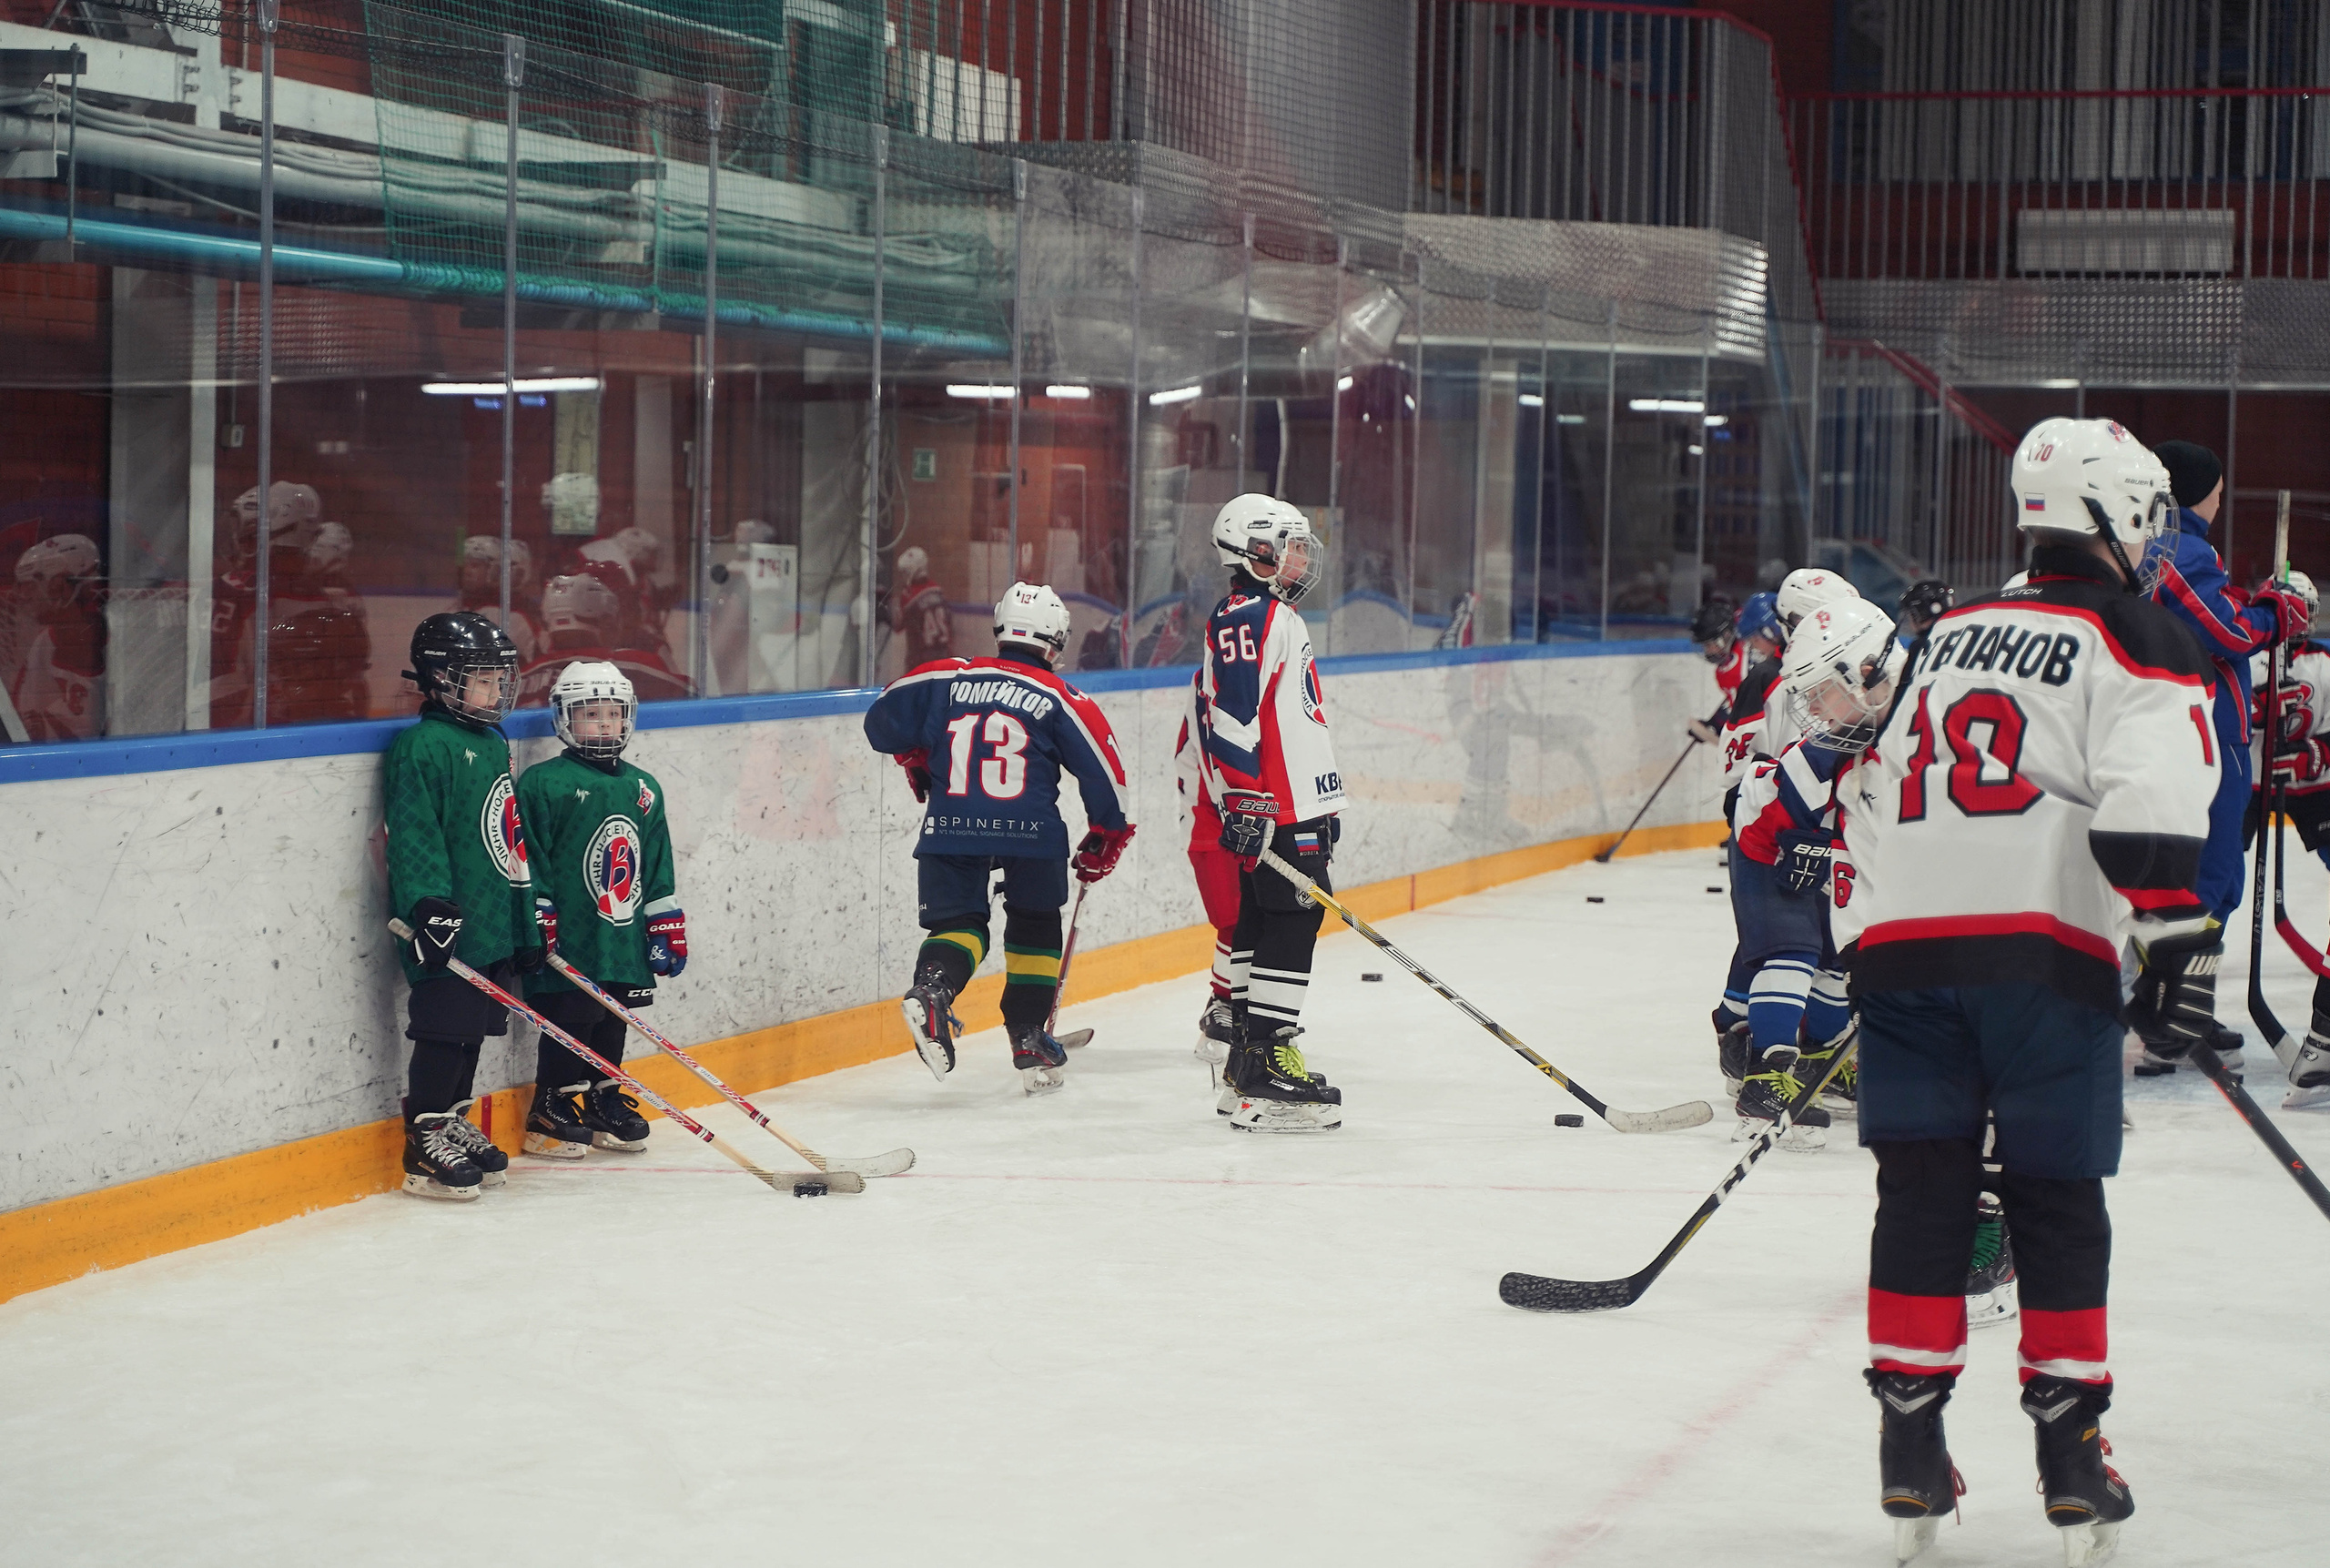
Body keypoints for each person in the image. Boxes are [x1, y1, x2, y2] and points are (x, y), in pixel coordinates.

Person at [1833, 416, 2216, 1565]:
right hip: (2040, 960)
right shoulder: (2134, 632)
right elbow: (2150, 805)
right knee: (2052, 1198)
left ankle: (1909, 1445)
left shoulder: (1946, 631)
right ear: (2110, 517)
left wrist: (1865, 941)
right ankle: (2068, 1456)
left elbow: (1866, 785)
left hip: (1902, 953)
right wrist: (2167, 942)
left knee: (1922, 1196)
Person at [864, 582, 1133, 1096]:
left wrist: (916, 755)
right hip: (1030, 829)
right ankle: (1029, 1033)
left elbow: (881, 723)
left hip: (951, 824)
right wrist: (1107, 832)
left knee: (960, 922)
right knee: (1034, 921)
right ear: (1056, 641)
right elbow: (1105, 774)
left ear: (1000, 629)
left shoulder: (944, 675)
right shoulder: (1061, 697)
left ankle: (933, 991)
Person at [2132, 437, 2312, 1078]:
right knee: (2208, 882)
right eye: (2218, 484)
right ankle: (2166, 1018)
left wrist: (2256, 602)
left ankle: (2184, 1005)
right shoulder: (2177, 547)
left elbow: (2213, 612)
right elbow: (2227, 631)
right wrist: (2276, 612)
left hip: (2191, 734)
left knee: (2207, 882)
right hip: (2203, 736)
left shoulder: (2157, 544)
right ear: (2196, 490)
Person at [380, 611, 542, 1201]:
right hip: (445, 924)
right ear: (442, 678)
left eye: (500, 678)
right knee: (444, 1030)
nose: (496, 690)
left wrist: (526, 917)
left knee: (473, 1032)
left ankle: (450, 1119)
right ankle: (422, 1141)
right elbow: (414, 831)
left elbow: (510, 837)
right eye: (483, 678)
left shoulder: (493, 743)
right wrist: (431, 907)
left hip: (493, 919)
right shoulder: (422, 746)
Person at [1198, 495, 1347, 1133]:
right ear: (1254, 550)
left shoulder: (1264, 613)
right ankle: (1267, 1065)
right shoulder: (1252, 614)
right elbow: (1231, 717)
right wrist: (1249, 799)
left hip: (1289, 800)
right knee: (1293, 917)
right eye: (1286, 543)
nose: (1297, 555)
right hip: (1282, 804)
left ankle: (1245, 1065)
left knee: (1264, 918)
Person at [515, 661, 682, 1158]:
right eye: (591, 714)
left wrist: (664, 920)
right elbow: (529, 856)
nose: (605, 724)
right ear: (564, 719)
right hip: (571, 934)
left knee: (614, 1014)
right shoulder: (543, 782)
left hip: (621, 932)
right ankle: (553, 1104)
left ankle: (603, 1096)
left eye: (613, 713)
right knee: (572, 1016)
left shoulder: (643, 787)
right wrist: (538, 911)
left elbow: (655, 861)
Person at [2247, 606, 2330, 1106]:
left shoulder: (2244, 657)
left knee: (2199, 892)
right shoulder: (2319, 662)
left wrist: (2312, 754)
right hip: (2274, 788)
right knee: (2203, 893)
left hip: (2264, 786)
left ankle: (2172, 1013)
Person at [1174, 670, 1244, 1088]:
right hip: (1211, 819)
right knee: (1235, 920)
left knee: (1254, 919)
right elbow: (1190, 754)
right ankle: (1222, 1006)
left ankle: (1225, 1007)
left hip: (1253, 813)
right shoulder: (1209, 678)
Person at [9, 532, 106, 741]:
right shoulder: (44, 643)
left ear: (59, 587)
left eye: (31, 585)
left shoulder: (114, 646)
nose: (24, 596)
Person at [457, 534, 542, 663]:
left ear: (496, 570)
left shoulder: (515, 613)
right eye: (466, 565)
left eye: (475, 565)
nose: (467, 571)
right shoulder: (462, 606)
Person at [890, 546, 955, 669]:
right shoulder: (938, 591)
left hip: (921, 659)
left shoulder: (909, 596)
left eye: (906, 572)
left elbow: (897, 625)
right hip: (944, 657)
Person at [1898, 579, 1954, 646]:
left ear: (1921, 615)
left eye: (1912, 614)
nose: (1909, 622)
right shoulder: (1961, 634)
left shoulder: (1919, 648)